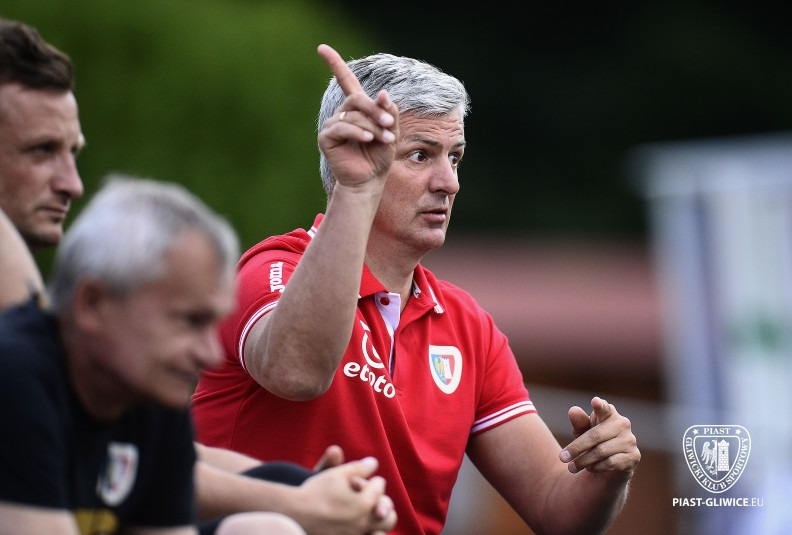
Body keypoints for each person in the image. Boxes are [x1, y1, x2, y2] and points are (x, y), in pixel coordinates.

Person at [192, 44, 642, 534]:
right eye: (420, 155)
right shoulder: (271, 270)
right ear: (350, 154)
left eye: (455, 157)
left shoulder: (468, 326)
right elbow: (296, 374)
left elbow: (559, 512)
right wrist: (356, 190)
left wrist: (608, 475)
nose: (449, 182)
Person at [0, 18, 396, 535]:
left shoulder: (132, 373)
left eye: (71, 151)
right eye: (40, 151)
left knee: (268, 526)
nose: (72, 184)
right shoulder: (24, 363)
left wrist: (298, 495)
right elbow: (294, 373)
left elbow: (158, 467)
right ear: (93, 303)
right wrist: (301, 503)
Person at [0, 175, 307, 535]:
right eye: (190, 321)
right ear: (93, 303)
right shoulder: (15, 376)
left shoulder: (147, 390)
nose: (210, 355)